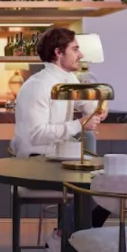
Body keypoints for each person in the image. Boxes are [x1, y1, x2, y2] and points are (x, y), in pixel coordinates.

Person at [11, 27, 105, 157]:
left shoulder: (69, 79)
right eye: (75, 49)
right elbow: (36, 135)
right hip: (36, 160)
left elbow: (86, 103)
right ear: (59, 53)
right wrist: (79, 124)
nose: (81, 55)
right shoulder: (37, 85)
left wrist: (98, 109)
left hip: (59, 155)